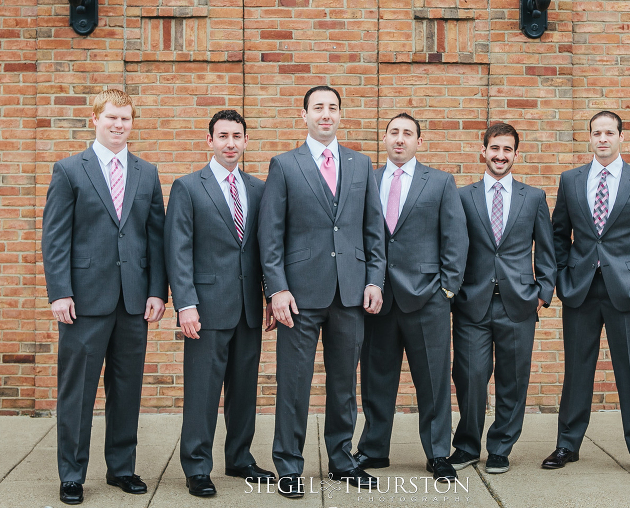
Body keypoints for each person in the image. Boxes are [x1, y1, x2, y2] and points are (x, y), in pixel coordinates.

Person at [258, 85, 387, 498]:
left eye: (332, 108)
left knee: (344, 383)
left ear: (340, 115)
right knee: (293, 383)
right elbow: (270, 234)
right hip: (298, 295)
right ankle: (289, 466)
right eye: (318, 108)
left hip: (349, 292)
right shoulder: (285, 165)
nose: (325, 115)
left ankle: (341, 460)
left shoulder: (361, 163)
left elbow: (374, 230)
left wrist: (374, 279)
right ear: (304, 115)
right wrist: (276, 289)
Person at [42, 89, 167, 505]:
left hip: (133, 301)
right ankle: (72, 473)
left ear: (132, 123)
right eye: (111, 117)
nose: (118, 125)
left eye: (126, 119)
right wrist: (59, 292)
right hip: (84, 302)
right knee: (77, 391)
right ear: (94, 118)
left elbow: (156, 238)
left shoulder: (147, 173)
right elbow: (55, 238)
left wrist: (156, 291)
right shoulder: (69, 170)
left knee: (127, 387)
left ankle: (121, 468)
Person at [541, 111, 630, 479]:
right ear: (590, 138)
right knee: (576, 370)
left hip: (628, 291)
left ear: (620, 137)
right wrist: (563, 277)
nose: (602, 139)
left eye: (609, 132)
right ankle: (567, 444)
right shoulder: (571, 180)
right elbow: (557, 234)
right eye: (596, 133)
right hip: (581, 289)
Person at [164, 109, 275, 498]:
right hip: (206, 308)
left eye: (237, 136)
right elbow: (177, 251)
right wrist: (185, 304)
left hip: (247, 307)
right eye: (223, 136)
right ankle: (197, 466)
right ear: (209, 141)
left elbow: (265, 249)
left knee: (244, 388)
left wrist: (269, 295)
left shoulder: (259, 189)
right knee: (203, 391)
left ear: (246, 141)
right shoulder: (188, 187)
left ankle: (240, 457)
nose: (230, 143)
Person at [354, 113, 468, 483]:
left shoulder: (439, 182)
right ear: (384, 138)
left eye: (407, 134)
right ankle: (373, 449)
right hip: (378, 298)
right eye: (393, 133)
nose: (399, 139)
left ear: (420, 141)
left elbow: (455, 239)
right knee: (375, 378)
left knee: (433, 381)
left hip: (428, 299)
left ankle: (438, 454)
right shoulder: (366, 180)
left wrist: (446, 289)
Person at [448, 123, 556, 474]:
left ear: (515, 155)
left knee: (513, 379)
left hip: (519, 303)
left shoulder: (534, 197)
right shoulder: (463, 197)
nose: (500, 155)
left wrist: (544, 291)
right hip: (472, 302)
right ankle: (465, 446)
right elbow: (452, 246)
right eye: (494, 148)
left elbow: (547, 249)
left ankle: (500, 447)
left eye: (507, 149)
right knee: (470, 376)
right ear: (483, 150)